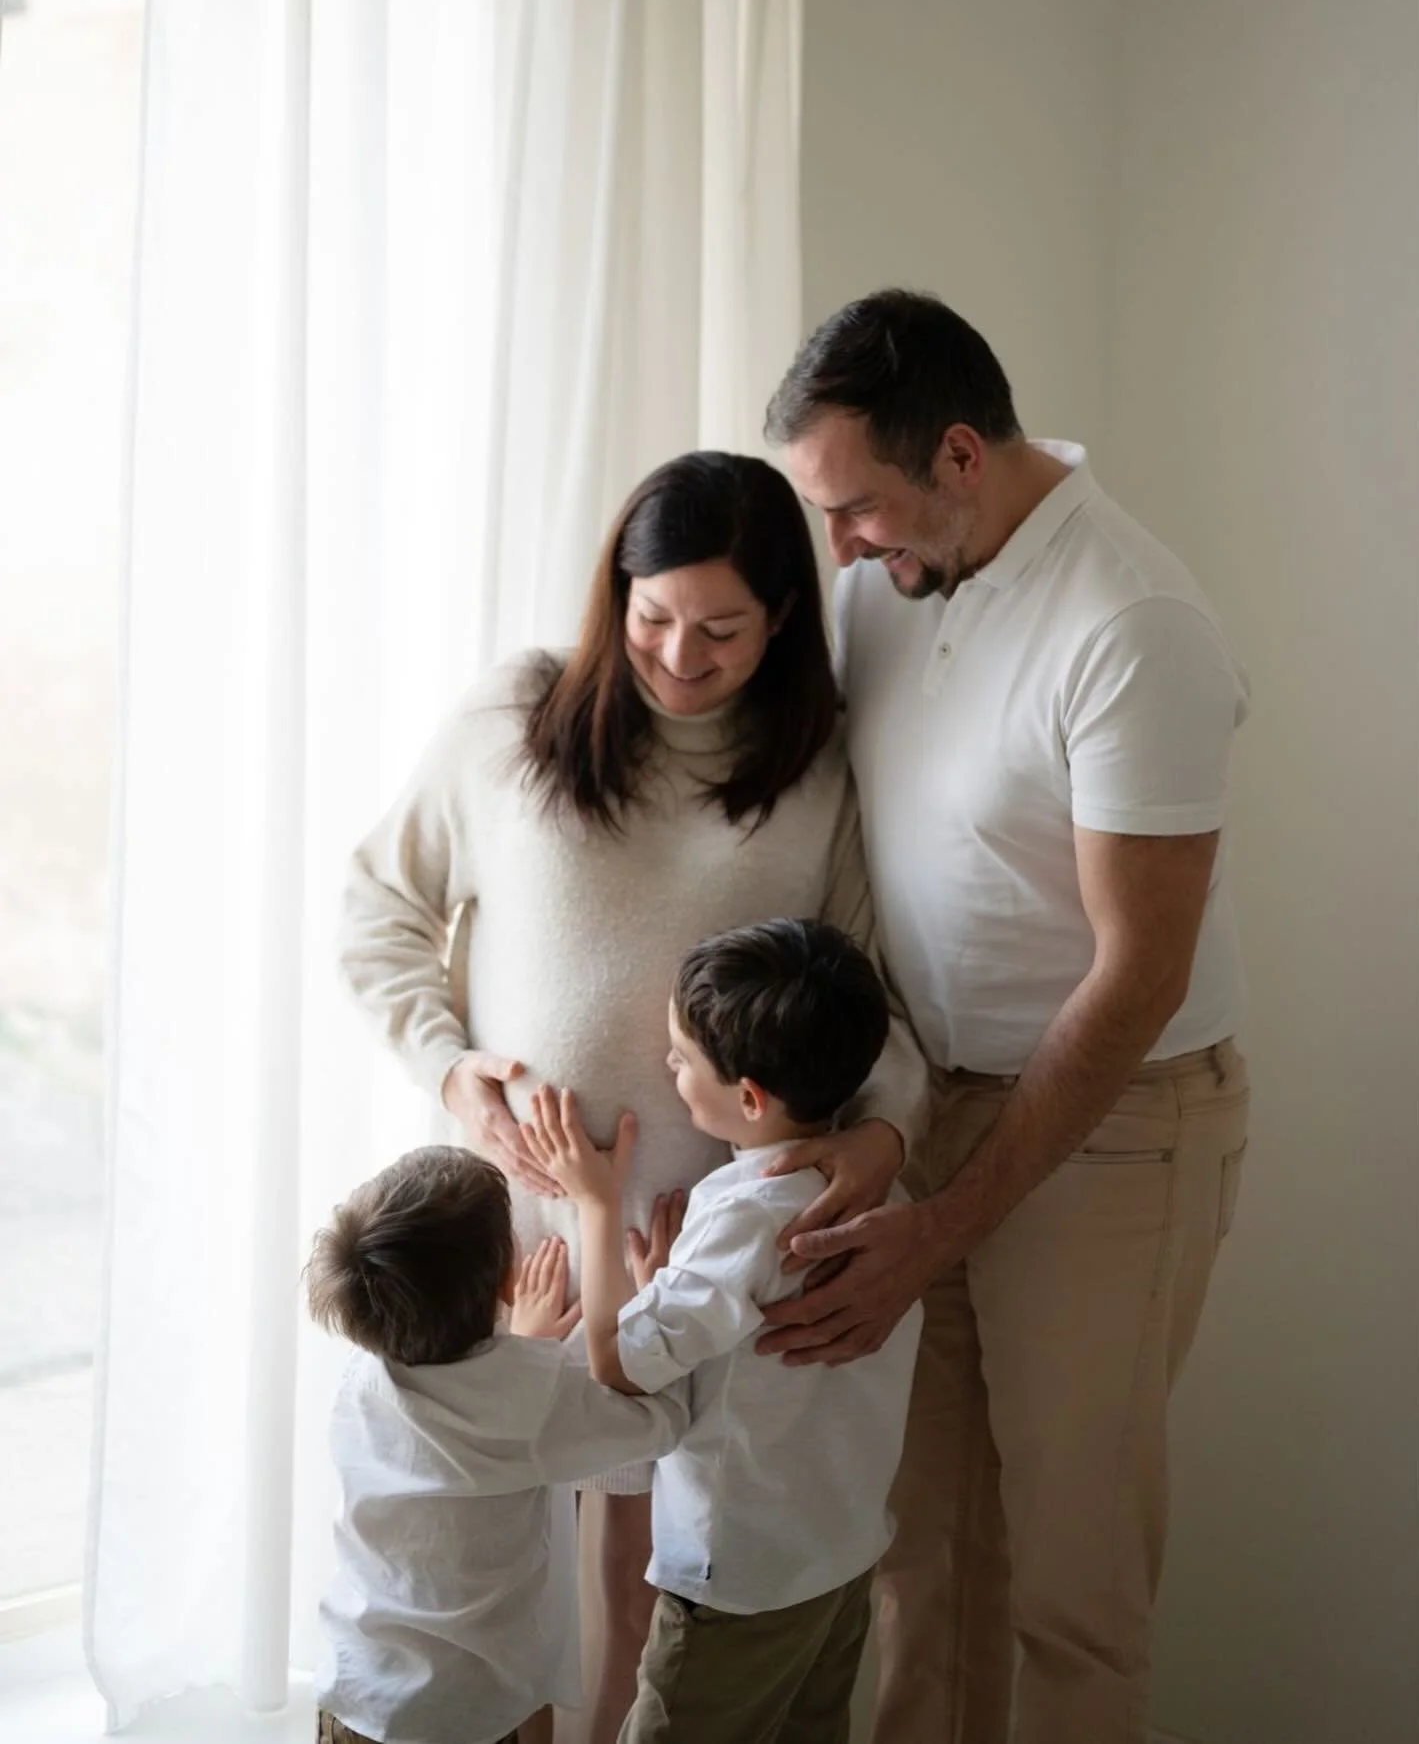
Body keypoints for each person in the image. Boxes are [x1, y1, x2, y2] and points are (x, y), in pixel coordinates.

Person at [336, 451, 927, 1740]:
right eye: (651, 616)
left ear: (781, 617)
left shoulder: (814, 774)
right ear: (616, 595)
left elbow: (869, 1004)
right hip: (515, 1234)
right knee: (463, 1552)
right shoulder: (515, 721)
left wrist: (882, 1138)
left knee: (645, 1570)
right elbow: (377, 908)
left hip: (682, 1257)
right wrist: (449, 1061)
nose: (677, 654)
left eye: (720, 627)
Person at [757, 290, 1252, 1744]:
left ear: (960, 457)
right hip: (926, 1103)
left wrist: (945, 1215)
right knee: (923, 1568)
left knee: (1068, 1592)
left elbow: (1136, 973)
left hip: (1116, 1128)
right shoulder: (888, 584)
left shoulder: (1132, 621)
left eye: (855, 508)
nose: (839, 544)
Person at [524, 918, 923, 1744]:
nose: (668, 1067)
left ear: (748, 1098)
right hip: (837, 1556)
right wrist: (670, 1287)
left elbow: (617, 1364)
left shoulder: (742, 1216)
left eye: (679, 1058)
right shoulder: (887, 1200)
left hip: (737, 1576)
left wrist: (595, 1203)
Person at [304, 1144, 689, 1744]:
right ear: (509, 1279)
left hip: (357, 1696)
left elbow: (473, 1407)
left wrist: (524, 1352)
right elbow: (657, 1421)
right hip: (468, 1717)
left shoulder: (362, 1378)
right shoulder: (532, 1401)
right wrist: (639, 1273)